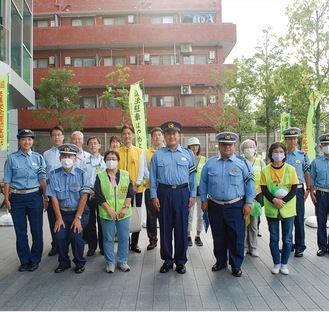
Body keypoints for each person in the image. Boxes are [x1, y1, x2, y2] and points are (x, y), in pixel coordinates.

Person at [199, 132, 255, 277]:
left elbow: (250, 184)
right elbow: (203, 182)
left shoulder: (243, 163)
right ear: (219, 146)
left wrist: (248, 203)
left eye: (229, 145)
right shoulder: (210, 163)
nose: (227, 147)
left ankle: (236, 265)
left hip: (236, 205)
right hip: (215, 205)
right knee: (218, 235)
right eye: (224, 144)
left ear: (234, 146)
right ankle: (220, 261)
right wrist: (204, 200)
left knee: (236, 236)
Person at [150, 121, 196, 274]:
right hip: (164, 193)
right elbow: (152, 178)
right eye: (168, 134)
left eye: (174, 133)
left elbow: (193, 177)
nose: (171, 136)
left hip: (182, 193)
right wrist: (154, 196)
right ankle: (167, 260)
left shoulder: (188, 154)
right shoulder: (158, 155)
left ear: (179, 135)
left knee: (182, 228)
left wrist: (192, 195)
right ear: (164, 136)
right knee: (165, 227)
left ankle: (180, 261)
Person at [3, 129, 47, 272]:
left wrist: (45, 197)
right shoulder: (12, 158)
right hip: (17, 198)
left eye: (29, 139)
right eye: (23, 139)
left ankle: (35, 259)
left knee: (36, 230)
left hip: (34, 197)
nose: (26, 142)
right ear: (19, 141)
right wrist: (6, 199)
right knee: (20, 231)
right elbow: (7, 180)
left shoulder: (38, 158)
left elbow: (42, 180)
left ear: (32, 141)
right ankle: (24, 260)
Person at [46, 143, 90, 274]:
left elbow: (84, 197)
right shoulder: (53, 175)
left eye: (70, 156)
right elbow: (53, 197)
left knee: (76, 236)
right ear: (60, 158)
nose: (67, 158)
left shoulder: (82, 174)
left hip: (79, 212)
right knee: (59, 236)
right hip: (62, 213)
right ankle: (64, 262)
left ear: (75, 158)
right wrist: (58, 218)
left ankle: (79, 262)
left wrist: (78, 217)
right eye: (64, 155)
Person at [260, 142, 299, 275]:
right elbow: (264, 188)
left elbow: (294, 189)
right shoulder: (265, 170)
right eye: (275, 152)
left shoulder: (291, 169)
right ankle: (276, 263)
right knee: (274, 237)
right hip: (272, 207)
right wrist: (274, 200)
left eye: (281, 152)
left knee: (287, 238)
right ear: (271, 154)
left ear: (284, 154)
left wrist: (282, 201)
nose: (278, 154)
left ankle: (284, 263)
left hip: (287, 208)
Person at [94, 149, 134, 273]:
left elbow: (130, 192)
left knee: (123, 238)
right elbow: (99, 195)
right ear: (105, 161)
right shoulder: (100, 176)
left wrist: (125, 207)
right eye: (109, 159)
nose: (111, 161)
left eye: (114, 159)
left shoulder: (125, 175)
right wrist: (109, 210)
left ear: (118, 161)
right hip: (107, 213)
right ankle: (110, 263)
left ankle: (122, 261)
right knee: (108, 238)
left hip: (124, 213)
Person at [283, 127, 311, 257]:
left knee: (299, 218)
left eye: (294, 138)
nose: (292, 141)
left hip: (298, 190)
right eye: (290, 139)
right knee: (285, 218)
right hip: (284, 191)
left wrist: (309, 189)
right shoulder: (281, 155)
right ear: (285, 140)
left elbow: (307, 173)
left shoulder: (303, 156)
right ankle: (288, 245)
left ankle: (300, 246)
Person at [117, 125, 145, 253]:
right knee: (123, 215)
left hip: (136, 190)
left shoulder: (140, 151)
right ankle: (125, 242)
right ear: (121, 136)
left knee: (135, 214)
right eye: (124, 134)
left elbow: (142, 170)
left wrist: (137, 184)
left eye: (129, 133)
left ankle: (135, 243)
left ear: (133, 135)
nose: (127, 136)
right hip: (121, 191)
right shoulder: (117, 152)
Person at [82, 136, 106, 256]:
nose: (93, 146)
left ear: (99, 145)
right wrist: (89, 190)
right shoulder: (84, 161)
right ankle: (92, 247)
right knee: (90, 223)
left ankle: (103, 247)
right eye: (90, 144)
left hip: (101, 195)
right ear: (88, 147)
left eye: (95, 143)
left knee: (102, 221)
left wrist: (99, 191)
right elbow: (82, 177)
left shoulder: (105, 161)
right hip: (89, 194)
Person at [241, 139, 265, 258]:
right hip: (242, 197)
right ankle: (244, 247)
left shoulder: (260, 162)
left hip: (256, 196)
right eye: (247, 147)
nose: (249, 149)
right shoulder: (240, 161)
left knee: (254, 224)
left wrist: (255, 192)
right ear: (242, 150)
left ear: (256, 149)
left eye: (252, 146)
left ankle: (253, 247)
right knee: (244, 223)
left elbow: (264, 180)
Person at [43, 125, 65, 257]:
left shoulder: (69, 152)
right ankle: (55, 244)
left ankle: (65, 243)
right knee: (53, 219)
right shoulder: (46, 154)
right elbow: (44, 177)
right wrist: (45, 197)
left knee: (66, 218)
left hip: (66, 193)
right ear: (51, 137)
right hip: (51, 193)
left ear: (63, 136)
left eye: (59, 134)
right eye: (54, 135)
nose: (57, 137)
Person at [143, 127, 164, 250]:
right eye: (155, 135)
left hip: (164, 189)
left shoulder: (167, 151)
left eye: (159, 135)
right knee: (151, 216)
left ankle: (165, 239)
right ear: (151, 138)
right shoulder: (146, 153)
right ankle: (152, 240)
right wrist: (153, 181)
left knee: (165, 215)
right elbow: (145, 169)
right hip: (150, 188)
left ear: (163, 136)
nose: (157, 137)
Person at [310, 134, 329, 256]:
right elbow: (312, 178)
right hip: (322, 194)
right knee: (321, 221)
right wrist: (311, 193)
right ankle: (322, 246)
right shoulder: (316, 162)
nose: (328, 147)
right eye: (326, 145)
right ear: (321, 146)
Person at [187, 137, 207, 247]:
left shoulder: (204, 160)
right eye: (192, 145)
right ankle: (188, 235)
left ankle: (198, 236)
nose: (195, 148)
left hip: (202, 191)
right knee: (189, 214)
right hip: (189, 190)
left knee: (201, 215)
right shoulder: (186, 158)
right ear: (189, 147)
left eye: (196, 145)